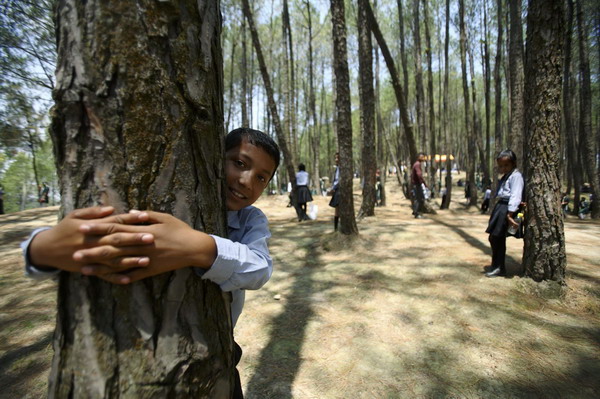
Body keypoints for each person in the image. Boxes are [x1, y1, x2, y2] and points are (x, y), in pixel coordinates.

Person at [21, 127, 280, 398]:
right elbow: (69, 243)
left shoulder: (251, 219)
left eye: (261, 177)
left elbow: (260, 268)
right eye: (239, 163)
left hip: (218, 356)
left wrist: (198, 247)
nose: (247, 181)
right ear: (215, 158)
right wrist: (41, 248)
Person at [485, 149, 524, 277]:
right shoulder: (507, 176)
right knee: (494, 237)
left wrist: (510, 213)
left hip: (507, 208)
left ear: (513, 163)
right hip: (500, 206)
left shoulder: (516, 176)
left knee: (497, 238)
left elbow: (516, 195)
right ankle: (496, 264)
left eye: (506, 165)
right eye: (501, 166)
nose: (503, 168)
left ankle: (499, 267)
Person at [411, 153, 427, 219]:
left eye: (424, 157)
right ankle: (417, 213)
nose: (423, 158)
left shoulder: (417, 164)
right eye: (422, 157)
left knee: (418, 198)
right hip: (417, 184)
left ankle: (415, 211)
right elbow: (419, 174)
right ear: (418, 157)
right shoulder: (417, 164)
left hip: (416, 184)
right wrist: (423, 182)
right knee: (420, 198)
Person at [328, 152, 341, 231]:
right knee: (337, 209)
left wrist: (334, 188)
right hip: (336, 189)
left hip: (340, 189)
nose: (336, 160)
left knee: (339, 208)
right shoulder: (337, 168)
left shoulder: (342, 168)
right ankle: (336, 228)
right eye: (335, 158)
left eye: (338, 158)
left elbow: (340, 180)